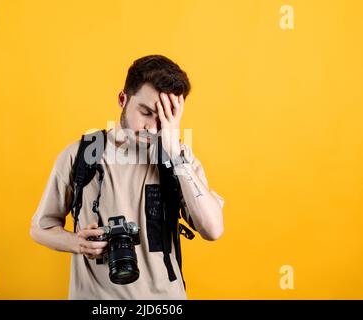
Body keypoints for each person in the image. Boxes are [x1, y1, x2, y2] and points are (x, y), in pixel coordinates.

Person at [29, 55, 225, 299]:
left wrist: (174, 154)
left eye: (164, 119)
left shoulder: (180, 158)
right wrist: (77, 243)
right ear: (123, 99)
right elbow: (40, 228)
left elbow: (213, 229)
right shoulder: (81, 154)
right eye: (146, 112)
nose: (153, 128)